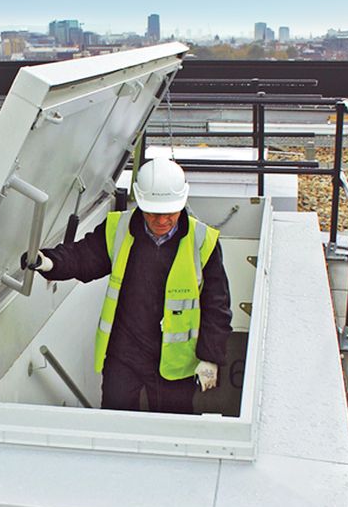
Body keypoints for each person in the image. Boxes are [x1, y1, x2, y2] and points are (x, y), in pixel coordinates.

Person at [23, 157, 232, 414]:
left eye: (170, 213)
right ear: (141, 204)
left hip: (175, 361)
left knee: (172, 428)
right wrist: (49, 262)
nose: (162, 221)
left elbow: (216, 305)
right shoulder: (119, 228)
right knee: (115, 419)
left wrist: (210, 356)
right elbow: (83, 256)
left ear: (182, 203)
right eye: (154, 213)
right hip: (125, 352)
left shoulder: (203, 242)